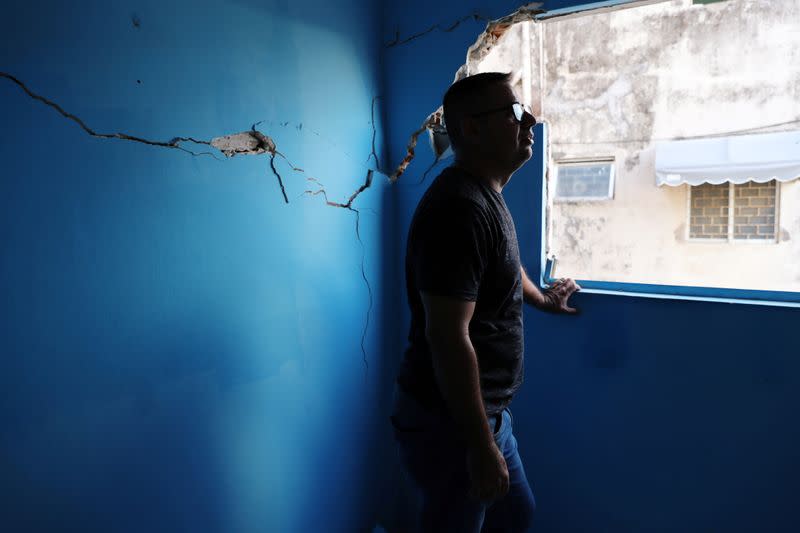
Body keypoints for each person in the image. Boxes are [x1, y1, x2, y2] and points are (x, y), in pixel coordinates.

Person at [390, 72, 580, 532]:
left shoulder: (485, 194)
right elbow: (448, 336)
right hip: (452, 424)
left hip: (487, 419)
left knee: (515, 514)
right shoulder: (459, 209)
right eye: (515, 112)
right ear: (471, 128)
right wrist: (478, 446)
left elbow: (503, 267)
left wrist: (541, 301)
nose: (530, 120)